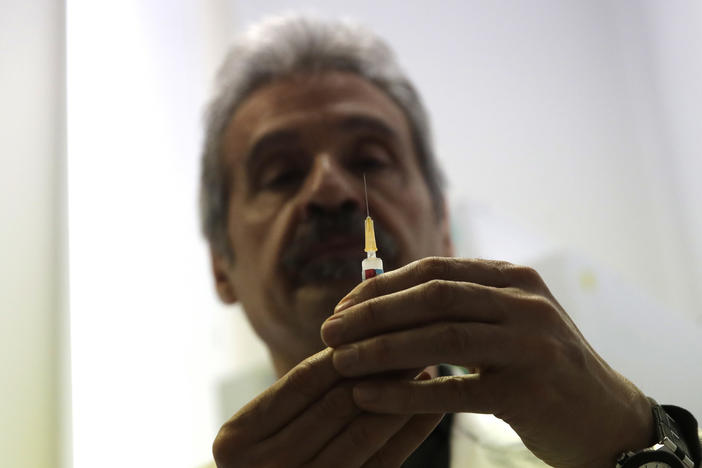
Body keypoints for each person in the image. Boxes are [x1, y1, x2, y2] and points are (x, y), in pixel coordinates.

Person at [199, 15, 700, 468]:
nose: (330, 190)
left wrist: (632, 440)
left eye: (371, 159)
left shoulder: (592, 451)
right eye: (282, 173)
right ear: (222, 263)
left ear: (444, 226)